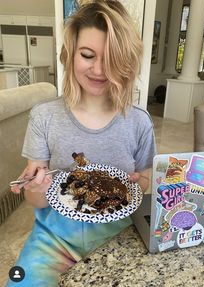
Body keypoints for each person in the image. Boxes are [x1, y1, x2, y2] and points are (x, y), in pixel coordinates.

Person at [7, 1, 156, 286]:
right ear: (69, 55)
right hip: (55, 239)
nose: (99, 69)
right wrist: (37, 186)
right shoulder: (44, 117)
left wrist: (136, 184)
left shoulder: (139, 122)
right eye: (88, 55)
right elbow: (36, 199)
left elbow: (145, 178)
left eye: (111, 58)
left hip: (120, 234)